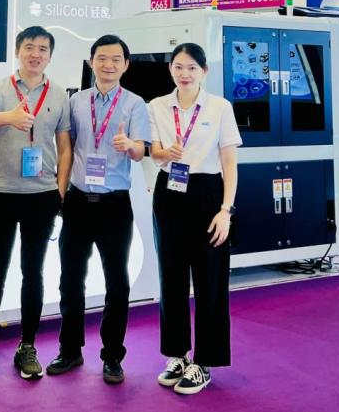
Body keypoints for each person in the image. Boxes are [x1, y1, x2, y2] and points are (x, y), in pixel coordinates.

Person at [0, 26, 72, 382]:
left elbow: (65, 147)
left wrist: (60, 190)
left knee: (34, 272)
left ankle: (27, 345)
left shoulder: (58, 94)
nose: (35, 54)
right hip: (0, 193)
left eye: (43, 49)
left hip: (41, 197)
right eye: (29, 47)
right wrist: (9, 117)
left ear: (50, 55)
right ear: (18, 51)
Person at [47, 34, 150, 385]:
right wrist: (59, 195)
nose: (108, 64)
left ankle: (112, 356)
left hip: (114, 204)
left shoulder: (135, 104)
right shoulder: (76, 102)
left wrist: (130, 145)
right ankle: (69, 350)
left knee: (117, 283)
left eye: (116, 59)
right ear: (92, 62)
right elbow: (67, 148)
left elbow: (142, 151)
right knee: (70, 279)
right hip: (78, 201)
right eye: (102, 58)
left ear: (126, 65)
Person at [148, 43, 240, 396]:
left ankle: (205, 361)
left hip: (207, 193)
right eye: (178, 67)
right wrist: (163, 152)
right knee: (170, 278)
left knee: (209, 279)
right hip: (169, 192)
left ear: (204, 71)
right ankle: (177, 355)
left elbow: (229, 162)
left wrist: (226, 210)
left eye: (191, 68)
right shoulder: (157, 105)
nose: (184, 74)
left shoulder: (219, 107)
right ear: (170, 69)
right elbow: (153, 152)